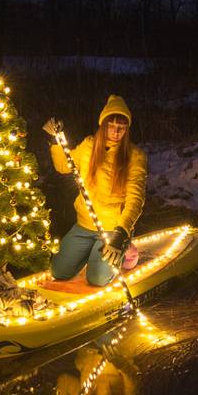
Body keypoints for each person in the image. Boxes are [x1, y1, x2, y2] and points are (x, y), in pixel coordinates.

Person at [41, 94, 148, 286]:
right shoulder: (88, 146)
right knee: (58, 271)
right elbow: (64, 166)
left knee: (97, 279)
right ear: (102, 124)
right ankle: (91, 252)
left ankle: (127, 251)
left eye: (121, 127)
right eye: (111, 125)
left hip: (113, 230)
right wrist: (55, 140)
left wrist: (121, 233)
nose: (116, 132)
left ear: (127, 129)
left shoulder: (135, 156)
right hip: (84, 224)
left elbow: (135, 199)